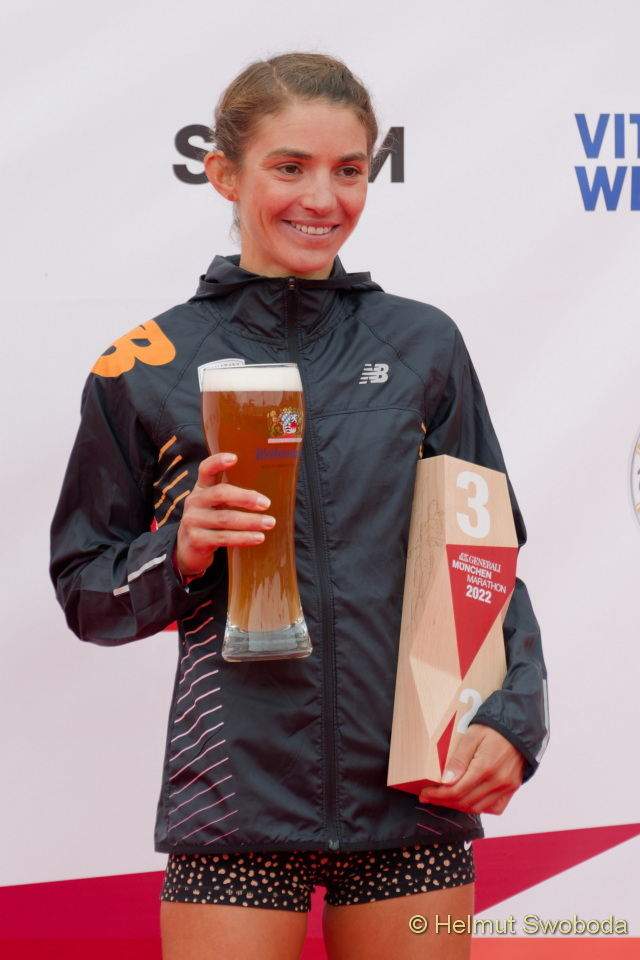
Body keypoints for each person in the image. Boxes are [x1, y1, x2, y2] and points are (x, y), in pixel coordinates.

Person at [49, 52, 549, 960]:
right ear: (223, 173)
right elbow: (86, 588)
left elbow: (488, 554)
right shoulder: (146, 363)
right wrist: (179, 548)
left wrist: (515, 720)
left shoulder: (422, 342)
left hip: (413, 789)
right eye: (290, 167)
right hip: (235, 799)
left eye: (348, 170)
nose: (323, 198)